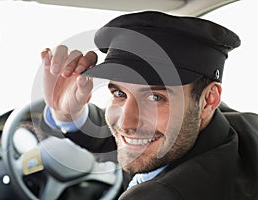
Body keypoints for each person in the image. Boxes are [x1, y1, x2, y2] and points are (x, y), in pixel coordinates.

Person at [39, 11, 258, 200]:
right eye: (119, 93)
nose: (126, 122)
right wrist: (67, 114)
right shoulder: (243, 126)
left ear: (208, 99)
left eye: (154, 98)